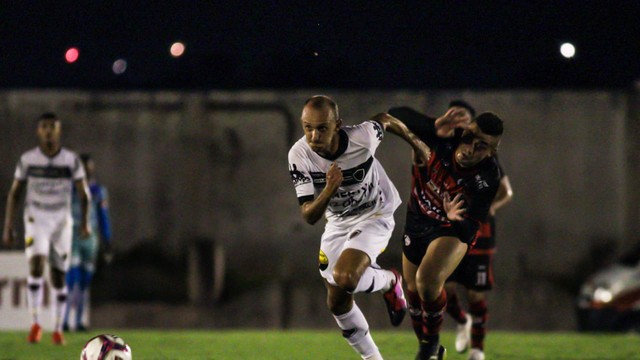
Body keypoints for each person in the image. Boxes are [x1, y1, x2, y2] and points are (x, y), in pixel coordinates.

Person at [287, 95, 431, 359]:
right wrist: (329, 189)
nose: (314, 135)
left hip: (375, 213)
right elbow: (308, 215)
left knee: (346, 277)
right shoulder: (299, 155)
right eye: (307, 127)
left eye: (322, 128)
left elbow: (386, 120)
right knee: (337, 302)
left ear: (337, 125)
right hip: (338, 222)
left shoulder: (362, 137)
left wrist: (417, 143)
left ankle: (389, 281)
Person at [388, 104, 504, 360]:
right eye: (470, 137)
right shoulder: (443, 137)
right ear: (464, 129)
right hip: (417, 219)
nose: (471, 147)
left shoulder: (488, 176)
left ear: (492, 152)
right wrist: (431, 125)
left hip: (451, 229)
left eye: (482, 145)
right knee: (413, 291)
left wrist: (455, 218)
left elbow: (470, 228)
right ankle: (432, 349)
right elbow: (393, 114)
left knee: (427, 282)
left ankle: (430, 344)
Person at [2, 112, 91, 345]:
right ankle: (35, 324)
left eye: (52, 126)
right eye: (44, 126)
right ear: (38, 131)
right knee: (36, 264)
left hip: (61, 221)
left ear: (59, 130)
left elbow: (84, 194)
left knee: (59, 276)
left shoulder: (71, 161)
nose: (48, 130)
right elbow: (14, 194)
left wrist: (84, 223)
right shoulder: (28, 159)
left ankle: (58, 328)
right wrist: (8, 226)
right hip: (36, 218)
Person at [444, 170, 513, 360]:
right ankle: (462, 319)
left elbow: (507, 192)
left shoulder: (489, 161)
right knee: (445, 290)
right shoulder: (449, 153)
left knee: (475, 294)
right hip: (453, 232)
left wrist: (492, 205)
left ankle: (477, 350)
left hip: (481, 235)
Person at [63, 153, 112, 332]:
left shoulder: (98, 191)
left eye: (88, 168)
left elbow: (103, 216)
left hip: (90, 238)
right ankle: (65, 321)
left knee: (85, 281)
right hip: (73, 235)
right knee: (72, 277)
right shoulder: (68, 189)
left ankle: (80, 321)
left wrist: (107, 239)